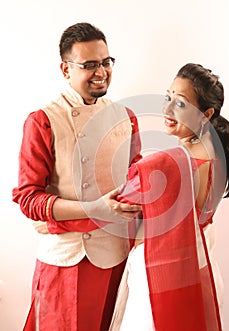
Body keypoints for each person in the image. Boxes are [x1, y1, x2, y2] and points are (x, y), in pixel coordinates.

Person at [12, 22, 142, 331]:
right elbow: (28, 198)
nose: (101, 71)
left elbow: (137, 181)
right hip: (67, 259)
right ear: (65, 69)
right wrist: (92, 210)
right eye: (89, 65)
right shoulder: (42, 121)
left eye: (106, 62)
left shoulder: (126, 117)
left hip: (115, 254)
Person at [108, 63, 229, 331]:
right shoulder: (218, 159)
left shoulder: (168, 165)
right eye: (167, 97)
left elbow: (119, 200)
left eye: (180, 104)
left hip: (160, 279)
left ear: (206, 115)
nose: (167, 109)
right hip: (202, 271)